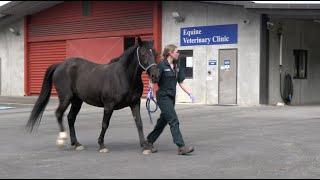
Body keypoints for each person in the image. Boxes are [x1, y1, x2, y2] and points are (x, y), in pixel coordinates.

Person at [146, 44, 196, 155]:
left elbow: (181, 82)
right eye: (176, 52)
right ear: (170, 53)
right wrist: (150, 91)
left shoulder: (177, 66)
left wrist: (190, 94)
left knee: (162, 122)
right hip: (163, 97)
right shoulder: (161, 65)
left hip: (171, 97)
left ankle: (149, 141)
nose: (178, 53)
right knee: (173, 120)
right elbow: (152, 78)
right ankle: (181, 147)